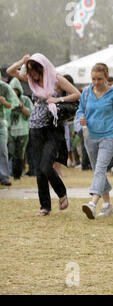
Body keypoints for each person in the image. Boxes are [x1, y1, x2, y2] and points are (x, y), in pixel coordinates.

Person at [7, 54, 81, 216]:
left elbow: (77, 94)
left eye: (35, 71)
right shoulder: (31, 80)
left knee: (46, 165)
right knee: (39, 169)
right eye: (30, 71)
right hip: (35, 127)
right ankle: (45, 206)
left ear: (42, 68)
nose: (32, 75)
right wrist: (23, 61)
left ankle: (61, 193)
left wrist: (58, 99)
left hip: (52, 127)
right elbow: (10, 71)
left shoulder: (56, 79)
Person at [75, 63, 113, 220]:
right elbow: (80, 110)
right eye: (93, 79)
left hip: (108, 136)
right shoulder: (87, 92)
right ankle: (107, 205)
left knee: (100, 169)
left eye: (99, 79)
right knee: (98, 171)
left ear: (106, 78)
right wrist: (79, 122)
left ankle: (93, 203)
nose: (96, 82)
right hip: (90, 137)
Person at [8, 78, 33, 180]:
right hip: (10, 130)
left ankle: (17, 175)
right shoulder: (7, 99)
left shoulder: (25, 100)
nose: (14, 92)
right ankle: (9, 173)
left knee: (20, 154)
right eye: (12, 89)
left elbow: (31, 114)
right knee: (10, 152)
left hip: (23, 130)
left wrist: (22, 108)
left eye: (16, 89)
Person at [0, 81, 20, 186]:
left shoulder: (4, 87)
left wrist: (4, 102)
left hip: (1, 124)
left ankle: (4, 177)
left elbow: (12, 104)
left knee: (3, 150)